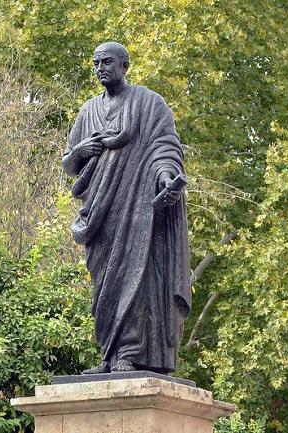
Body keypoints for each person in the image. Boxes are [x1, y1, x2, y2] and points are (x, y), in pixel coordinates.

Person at [62, 42, 190, 373]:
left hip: (137, 210)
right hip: (100, 215)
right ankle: (109, 352)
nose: (100, 68)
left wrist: (166, 179)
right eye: (95, 63)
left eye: (107, 62)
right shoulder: (87, 111)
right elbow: (70, 165)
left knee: (136, 278)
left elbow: (165, 147)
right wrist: (79, 151)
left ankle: (129, 352)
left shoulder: (150, 104)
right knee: (105, 284)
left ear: (124, 66)